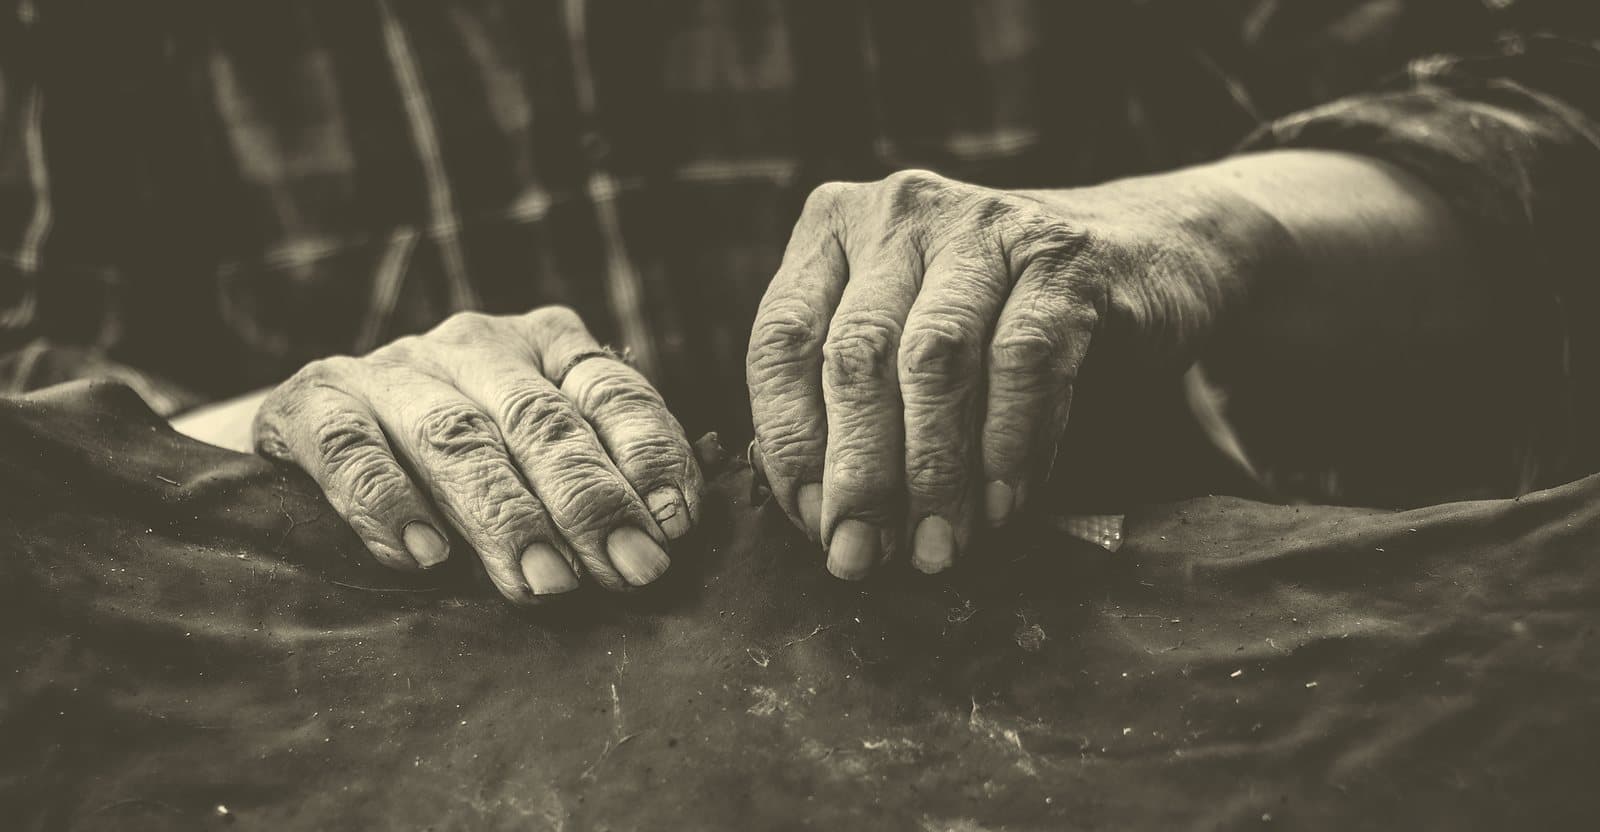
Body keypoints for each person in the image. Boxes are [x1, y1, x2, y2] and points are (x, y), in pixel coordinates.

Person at [3, 2, 1598, 603]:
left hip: (1128, 772)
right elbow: (31, 383)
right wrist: (297, 425)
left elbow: (1553, 90)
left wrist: (1173, 232)